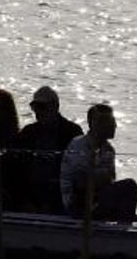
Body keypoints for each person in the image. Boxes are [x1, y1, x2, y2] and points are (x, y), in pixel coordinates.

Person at [59, 104, 137, 222]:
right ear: (96, 124)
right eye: (111, 122)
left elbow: (109, 179)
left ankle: (123, 226)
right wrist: (102, 176)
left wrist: (97, 176)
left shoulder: (108, 149)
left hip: (97, 198)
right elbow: (81, 183)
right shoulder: (78, 144)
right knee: (129, 185)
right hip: (77, 205)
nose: (115, 126)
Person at [12, 86, 84, 214]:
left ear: (55, 106)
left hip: (60, 193)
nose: (38, 112)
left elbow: (77, 170)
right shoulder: (28, 132)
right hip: (31, 192)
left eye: (42, 107)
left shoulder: (72, 132)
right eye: (35, 107)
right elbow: (16, 167)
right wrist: (24, 201)